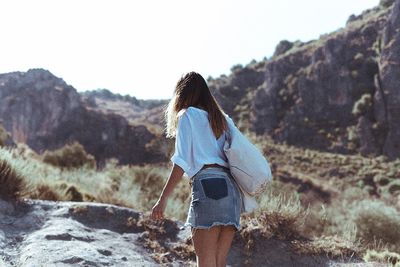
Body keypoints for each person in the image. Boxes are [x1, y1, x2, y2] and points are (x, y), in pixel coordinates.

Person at [151, 71, 243, 267]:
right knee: (220, 262)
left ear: (182, 94)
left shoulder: (188, 115)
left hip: (208, 186)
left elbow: (181, 161)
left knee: (206, 262)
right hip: (232, 190)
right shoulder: (222, 119)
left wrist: (162, 199)